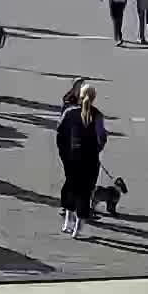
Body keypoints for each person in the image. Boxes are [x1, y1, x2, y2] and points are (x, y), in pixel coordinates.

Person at [57, 85, 107, 237]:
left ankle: (67, 222)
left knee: (72, 187)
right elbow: (101, 139)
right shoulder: (97, 115)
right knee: (85, 192)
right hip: (89, 159)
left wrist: (65, 154)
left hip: (72, 158)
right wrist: (95, 150)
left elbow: (60, 134)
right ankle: (78, 228)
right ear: (93, 98)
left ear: (80, 96)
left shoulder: (70, 112)